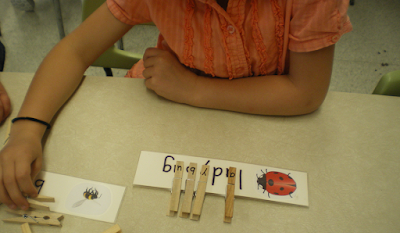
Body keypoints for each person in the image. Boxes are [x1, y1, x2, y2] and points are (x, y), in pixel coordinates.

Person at [0, 0, 352, 210]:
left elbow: (305, 92)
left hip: (263, 119)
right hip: (164, 109)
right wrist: (27, 129)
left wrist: (194, 89)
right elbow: (74, 50)